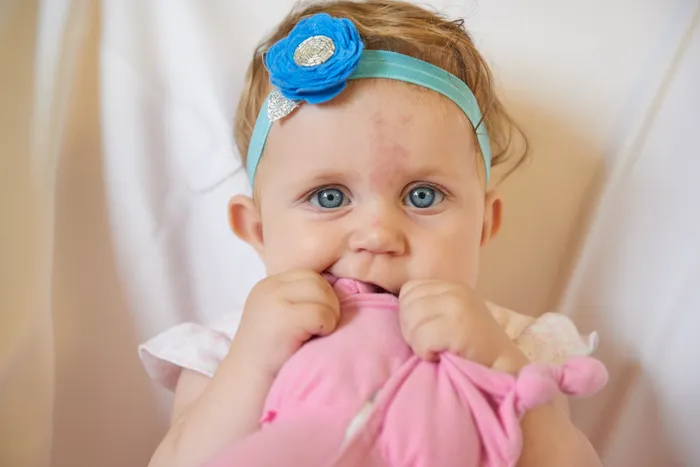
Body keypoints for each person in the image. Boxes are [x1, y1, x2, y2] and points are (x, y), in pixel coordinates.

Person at [140, 1, 603, 466]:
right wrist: (254, 363)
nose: (378, 235)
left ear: (484, 223)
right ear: (258, 230)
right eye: (328, 197)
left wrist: (500, 365)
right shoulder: (228, 351)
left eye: (422, 196)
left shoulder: (514, 344)